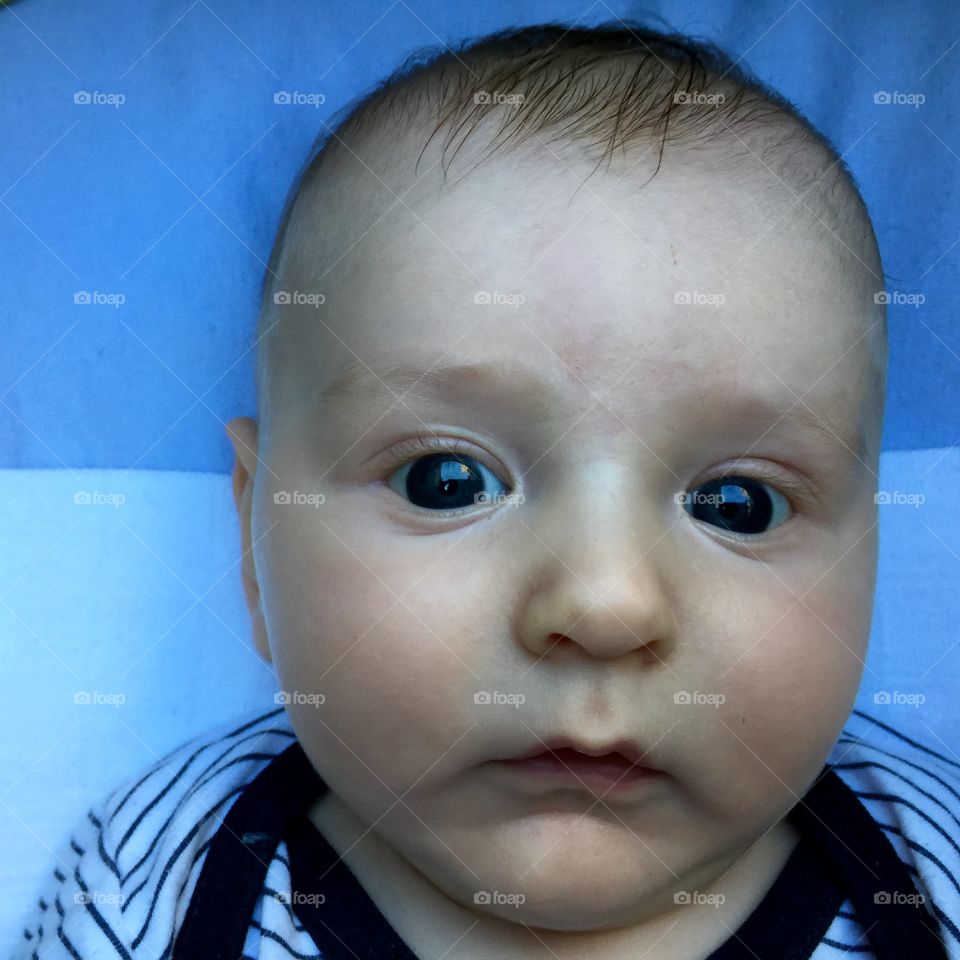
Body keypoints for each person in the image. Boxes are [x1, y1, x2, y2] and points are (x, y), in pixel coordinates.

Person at [16, 21, 957, 960]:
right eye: (446, 481)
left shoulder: (932, 868)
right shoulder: (146, 890)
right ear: (257, 544)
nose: (604, 605)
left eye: (737, 504)